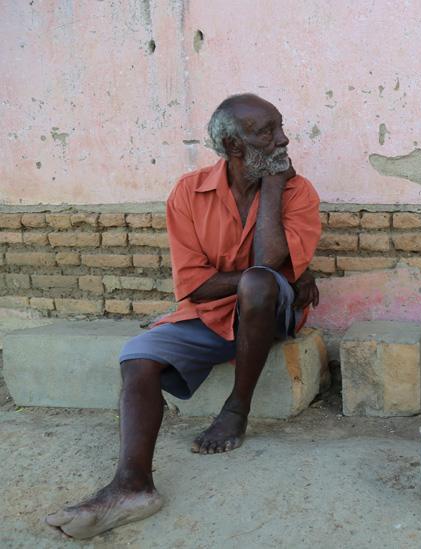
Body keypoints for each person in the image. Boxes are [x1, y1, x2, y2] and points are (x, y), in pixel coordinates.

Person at [45, 93, 323, 539]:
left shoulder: (296, 191)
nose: (283, 140)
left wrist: (272, 188)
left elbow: (268, 262)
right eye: (266, 132)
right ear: (235, 147)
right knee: (137, 357)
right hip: (208, 314)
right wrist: (267, 278)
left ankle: (237, 408)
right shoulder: (188, 193)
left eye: (280, 126)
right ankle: (133, 484)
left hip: (272, 312)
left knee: (258, 284)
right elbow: (194, 285)